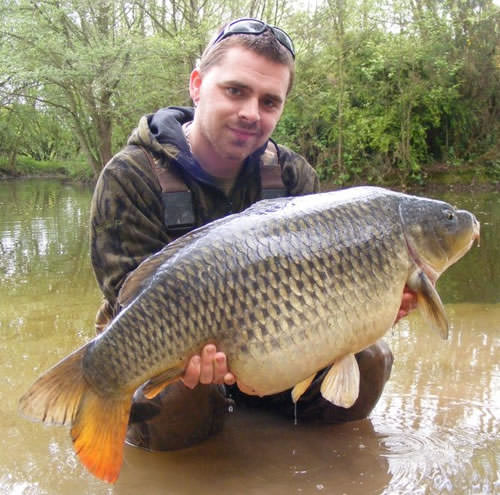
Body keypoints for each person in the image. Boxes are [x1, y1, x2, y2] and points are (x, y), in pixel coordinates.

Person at [90, 18, 416, 451]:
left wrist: (367, 308)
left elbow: (325, 296)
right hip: (173, 354)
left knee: (371, 358)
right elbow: (127, 302)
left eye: (269, 101)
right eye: (235, 91)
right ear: (197, 84)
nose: (251, 113)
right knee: (179, 402)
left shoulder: (293, 175)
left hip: (275, 346)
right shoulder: (130, 177)